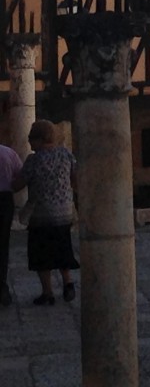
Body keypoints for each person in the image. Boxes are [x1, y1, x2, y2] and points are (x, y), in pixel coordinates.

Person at [11, 120, 79, 306]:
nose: (30, 143)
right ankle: (68, 283)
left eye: (31, 139)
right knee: (62, 247)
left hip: (41, 215)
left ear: (39, 139)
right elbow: (75, 180)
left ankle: (47, 292)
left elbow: (18, 185)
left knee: (41, 253)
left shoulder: (33, 160)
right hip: (64, 213)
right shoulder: (66, 154)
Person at [0, 142, 23, 307]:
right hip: (5, 201)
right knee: (2, 244)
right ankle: (2, 287)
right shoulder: (8, 153)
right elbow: (21, 176)